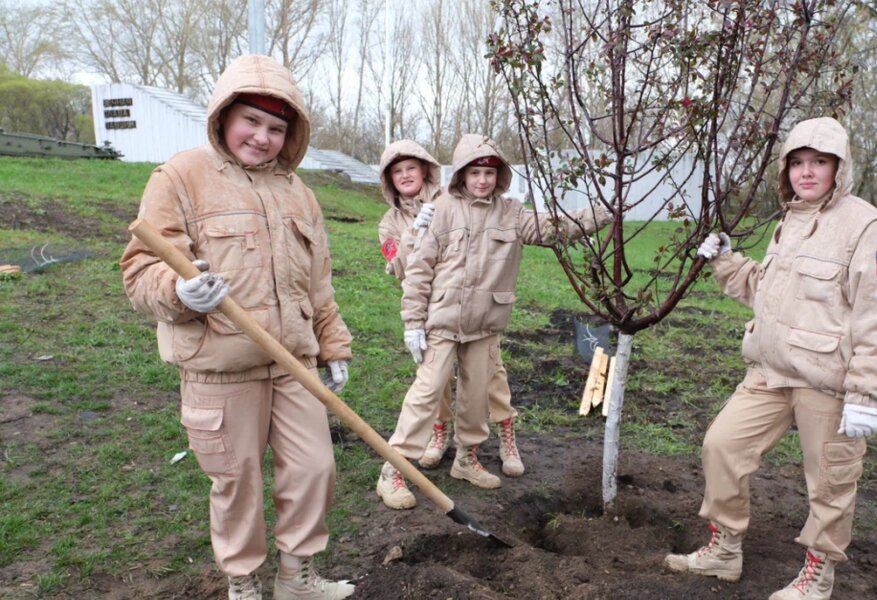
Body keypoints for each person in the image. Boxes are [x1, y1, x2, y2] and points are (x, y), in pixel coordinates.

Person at [120, 55, 355, 600]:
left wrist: (333, 344)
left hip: (293, 361)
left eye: (277, 128)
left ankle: (297, 579)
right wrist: (178, 293)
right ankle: (243, 583)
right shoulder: (180, 177)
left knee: (315, 470)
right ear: (224, 115)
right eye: (251, 120)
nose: (263, 137)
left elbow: (318, 282)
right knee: (236, 484)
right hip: (219, 366)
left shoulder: (300, 194)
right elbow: (139, 270)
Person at [664, 117, 877, 600]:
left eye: (819, 162)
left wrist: (867, 392)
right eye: (797, 162)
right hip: (771, 370)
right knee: (722, 446)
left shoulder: (867, 227)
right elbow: (767, 291)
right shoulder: (791, 221)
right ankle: (724, 549)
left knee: (830, 483)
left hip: (830, 381)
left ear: (840, 167)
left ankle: (818, 575)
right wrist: (726, 261)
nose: (807, 172)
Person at [376, 134, 612, 507]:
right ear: (461, 175)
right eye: (474, 172)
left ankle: (466, 459)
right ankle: (394, 469)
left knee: (475, 398)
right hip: (443, 319)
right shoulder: (442, 210)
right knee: (427, 393)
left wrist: (602, 213)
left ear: (499, 175)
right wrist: (413, 322)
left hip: (485, 323)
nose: (482, 180)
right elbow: (415, 270)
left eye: (489, 172)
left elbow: (553, 227)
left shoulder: (512, 213)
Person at [375, 141, 523, 513]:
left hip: (480, 316)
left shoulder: (453, 197)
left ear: (427, 170)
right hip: (434, 314)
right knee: (430, 389)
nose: (406, 175)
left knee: (484, 386)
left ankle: (470, 454)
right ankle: (406, 460)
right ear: (390, 180)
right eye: (398, 171)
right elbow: (405, 269)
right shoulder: (391, 223)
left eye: (412, 167)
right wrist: (414, 235)